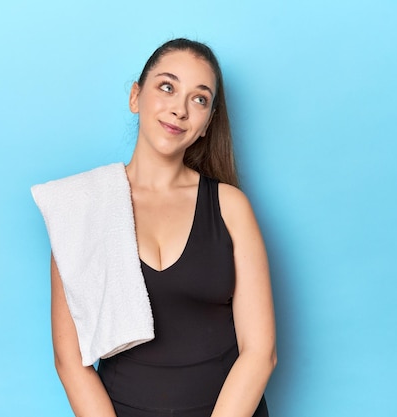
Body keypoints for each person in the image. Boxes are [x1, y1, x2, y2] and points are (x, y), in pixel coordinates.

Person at [49, 38, 276, 417]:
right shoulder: (81, 207)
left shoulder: (230, 207)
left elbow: (260, 353)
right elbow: (70, 361)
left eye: (199, 99)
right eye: (167, 87)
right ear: (135, 97)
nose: (180, 110)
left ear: (207, 124)